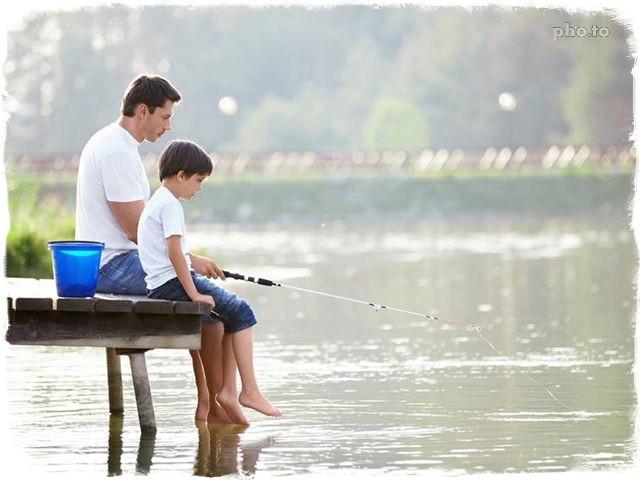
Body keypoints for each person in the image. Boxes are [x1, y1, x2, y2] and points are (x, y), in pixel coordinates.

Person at [74, 74, 230, 423]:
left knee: (202, 294)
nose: (168, 126)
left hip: (114, 260)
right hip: (111, 266)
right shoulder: (116, 150)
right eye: (165, 116)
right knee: (210, 302)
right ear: (142, 110)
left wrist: (187, 262)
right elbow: (135, 231)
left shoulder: (113, 143)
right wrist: (189, 261)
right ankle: (212, 404)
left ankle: (211, 400)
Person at [137, 139, 281, 425]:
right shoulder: (170, 205)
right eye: (198, 180)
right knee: (243, 312)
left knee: (230, 317)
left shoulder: (157, 201)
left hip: (161, 284)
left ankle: (228, 392)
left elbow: (173, 255)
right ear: (181, 175)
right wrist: (193, 292)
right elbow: (175, 252)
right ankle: (248, 390)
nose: (199, 188)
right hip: (173, 284)